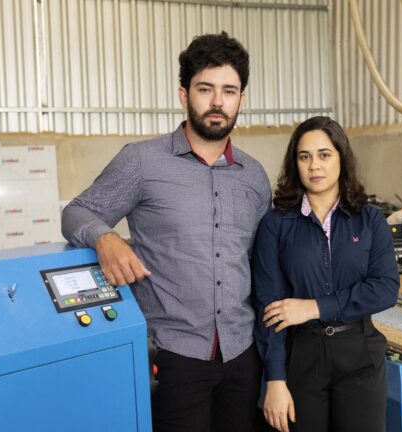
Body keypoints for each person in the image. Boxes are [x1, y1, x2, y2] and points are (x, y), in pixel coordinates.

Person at [61, 32, 271, 432]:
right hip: (174, 357)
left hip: (243, 354)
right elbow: (77, 211)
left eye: (229, 91)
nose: (217, 101)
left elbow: (262, 260)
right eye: (205, 89)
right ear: (183, 95)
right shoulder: (142, 162)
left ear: (241, 100)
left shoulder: (254, 177)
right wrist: (105, 238)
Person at [253, 116, 400, 432]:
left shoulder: (370, 220)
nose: (314, 166)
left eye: (324, 154)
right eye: (304, 156)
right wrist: (275, 379)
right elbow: (269, 307)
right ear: (295, 164)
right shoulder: (275, 225)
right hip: (301, 358)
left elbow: (386, 288)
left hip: (360, 355)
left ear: (341, 158)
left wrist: (315, 307)